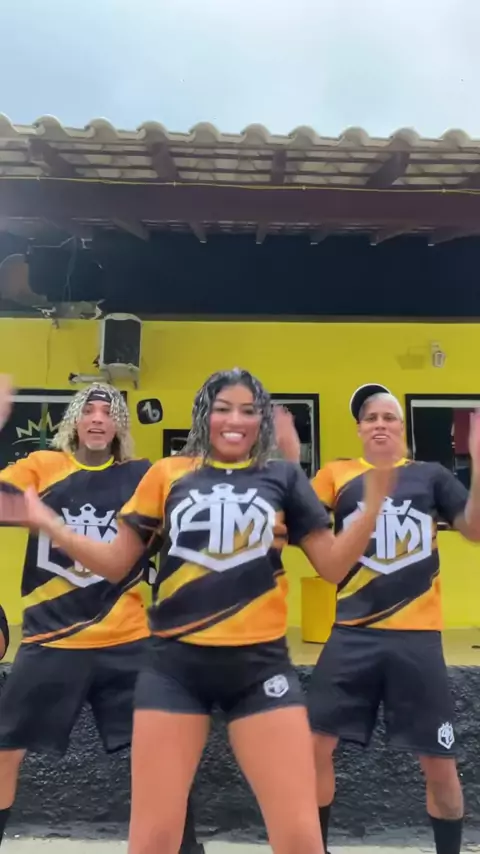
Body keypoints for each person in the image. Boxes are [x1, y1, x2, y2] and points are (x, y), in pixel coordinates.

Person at [0, 368, 395, 854]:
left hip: (225, 661)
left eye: (248, 410)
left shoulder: (259, 476)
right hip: (134, 660)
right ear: (205, 415)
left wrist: (370, 499)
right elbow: (115, 560)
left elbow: (328, 561)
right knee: (144, 834)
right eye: (223, 408)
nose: (235, 420)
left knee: (293, 836)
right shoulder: (154, 473)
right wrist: (49, 523)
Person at [0, 378, 202, 853]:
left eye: (108, 412)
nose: (97, 419)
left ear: (119, 426)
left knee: (164, 755)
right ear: (74, 420)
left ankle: (185, 848)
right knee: (4, 750)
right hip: (51, 641)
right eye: (89, 411)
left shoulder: (143, 475)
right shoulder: (42, 466)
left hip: (128, 642)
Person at [276, 383, 480, 854]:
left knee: (439, 763)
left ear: (402, 427)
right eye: (371, 418)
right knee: (312, 749)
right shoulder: (337, 474)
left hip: (418, 639)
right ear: (359, 429)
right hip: (352, 635)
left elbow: (472, 528)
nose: (381, 425)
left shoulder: (429, 475)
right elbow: (298, 523)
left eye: (389, 417)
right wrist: (287, 459)